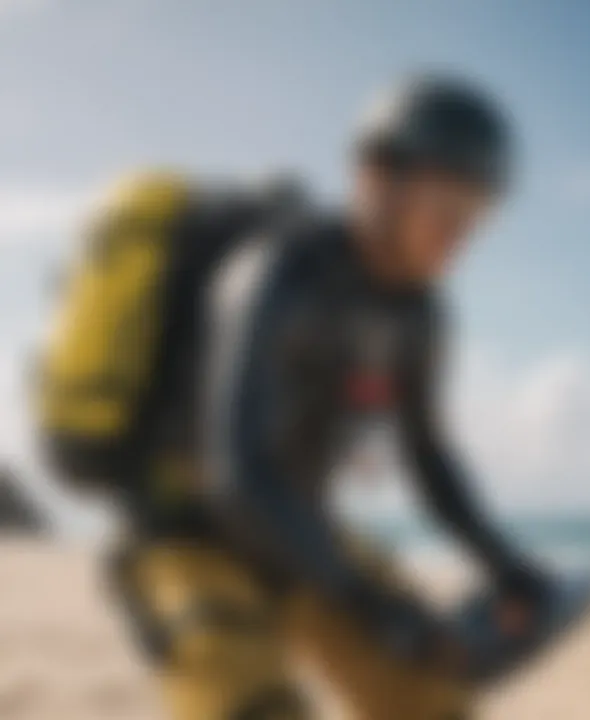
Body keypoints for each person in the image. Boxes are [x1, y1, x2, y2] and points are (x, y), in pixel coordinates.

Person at [100, 74, 548, 720]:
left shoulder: (420, 313)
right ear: (377, 178)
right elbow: (239, 473)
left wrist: (503, 563)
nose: (462, 233)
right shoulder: (276, 272)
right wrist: (376, 606)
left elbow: (430, 459)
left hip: (299, 535)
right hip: (186, 534)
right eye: (447, 204)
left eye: (478, 212)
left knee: (438, 702)